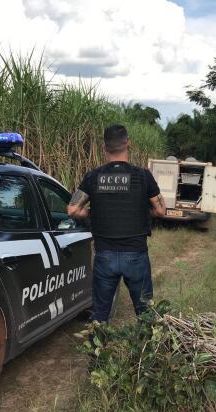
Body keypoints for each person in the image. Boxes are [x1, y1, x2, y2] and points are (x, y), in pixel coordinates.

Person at [67, 124, 166, 323]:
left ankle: (97, 350)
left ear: (104, 147)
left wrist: (94, 213)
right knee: (146, 314)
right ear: (128, 143)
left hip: (105, 256)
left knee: (100, 316)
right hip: (136, 256)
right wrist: (140, 211)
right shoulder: (143, 176)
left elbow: (72, 209)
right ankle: (146, 351)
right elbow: (160, 210)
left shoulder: (92, 177)